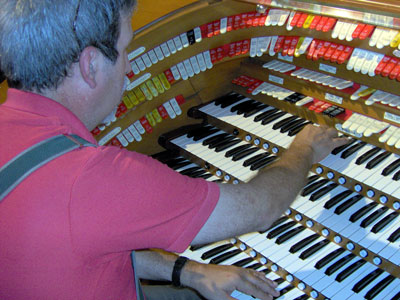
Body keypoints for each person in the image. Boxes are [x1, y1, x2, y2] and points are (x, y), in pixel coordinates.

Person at [0, 0, 347, 299]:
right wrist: (304, 148)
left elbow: (85, 240)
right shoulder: (95, 177)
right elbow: (260, 209)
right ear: (91, 66)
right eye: (124, 51)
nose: (131, 67)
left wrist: (188, 271)